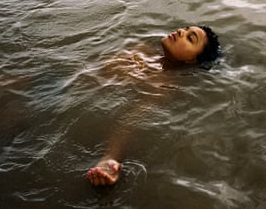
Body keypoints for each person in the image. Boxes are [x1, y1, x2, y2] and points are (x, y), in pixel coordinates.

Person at [86, 25, 220, 186]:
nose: (180, 32)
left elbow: (131, 119)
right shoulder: (142, 50)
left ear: (192, 60)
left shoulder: (163, 86)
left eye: (190, 38)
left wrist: (110, 156)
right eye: (185, 29)